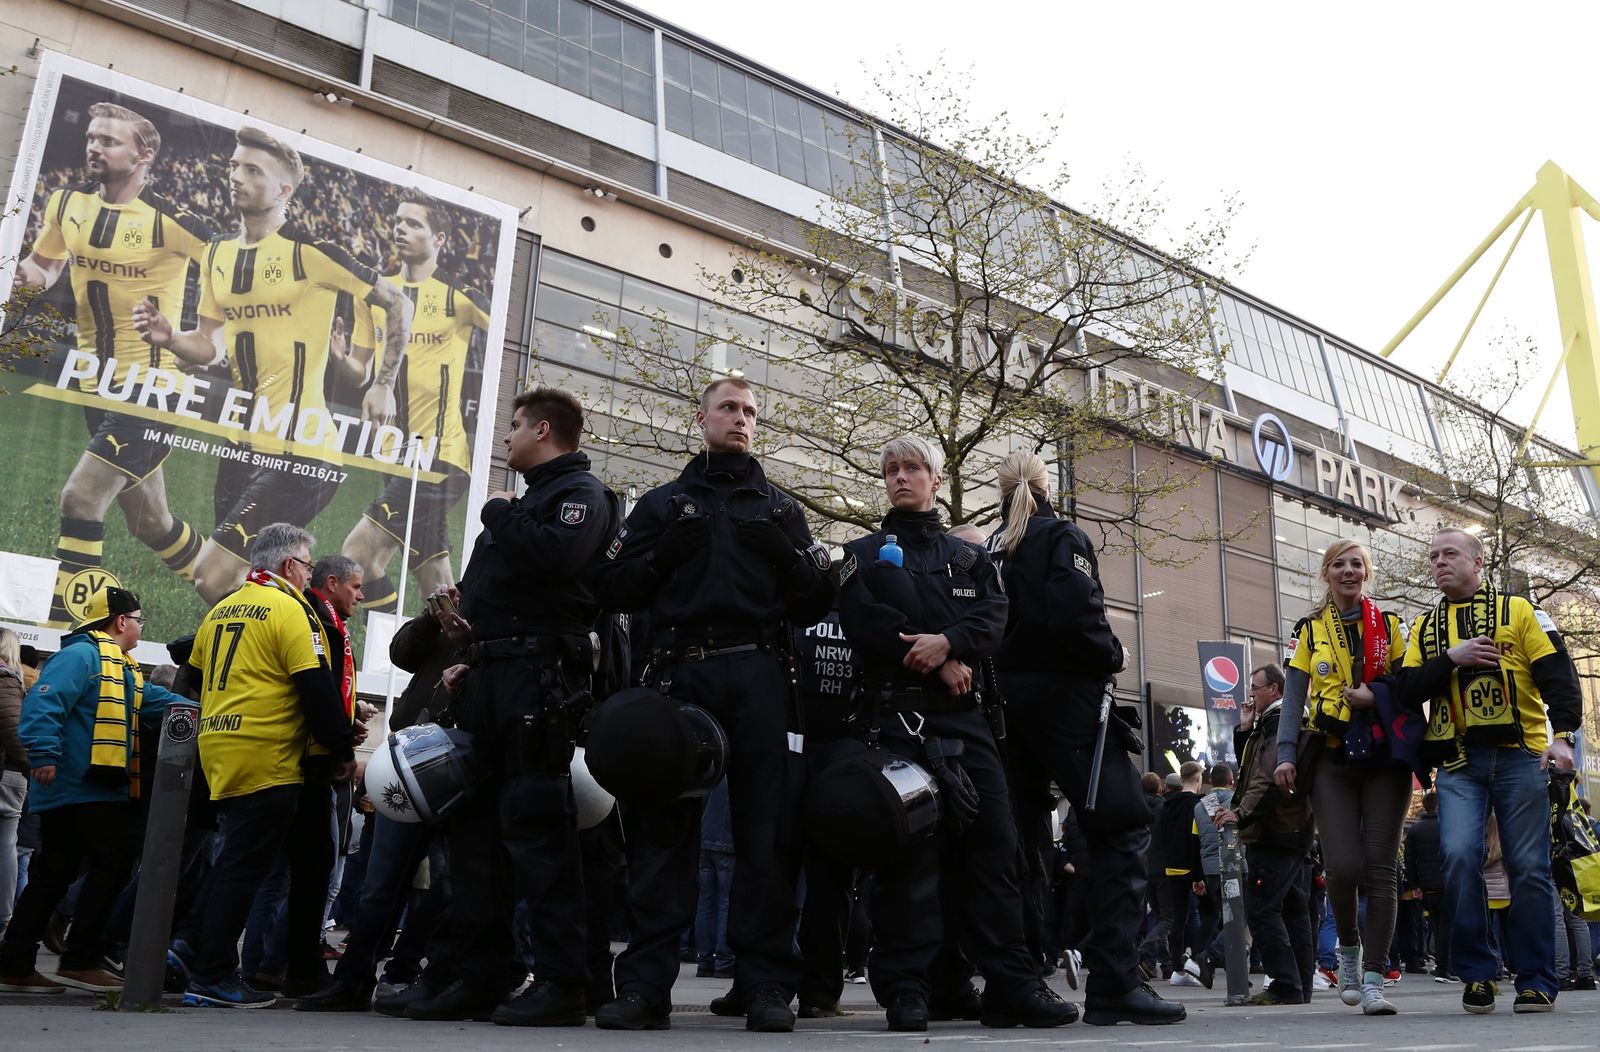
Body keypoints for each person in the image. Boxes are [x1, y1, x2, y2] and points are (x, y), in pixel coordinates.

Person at [592, 375, 831, 1033]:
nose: (742, 419)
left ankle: (763, 986)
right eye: (729, 408)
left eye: (751, 411)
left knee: (766, 837)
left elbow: (815, 601)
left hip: (759, 674)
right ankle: (644, 988)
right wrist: (661, 558)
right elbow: (611, 586)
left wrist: (789, 560)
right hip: (681, 674)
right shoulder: (664, 505)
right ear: (700, 419)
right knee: (663, 836)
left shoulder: (782, 510)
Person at [380, 385, 617, 1025]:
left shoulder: (578, 496)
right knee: (474, 834)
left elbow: (556, 558)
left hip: (536, 681)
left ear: (543, 430)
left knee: (536, 829)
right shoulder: (535, 500)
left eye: (514, 426)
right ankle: (480, 974)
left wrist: (499, 514)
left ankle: (564, 983)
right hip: (491, 675)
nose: (506, 437)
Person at [835, 437, 1076, 1032]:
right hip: (895, 723)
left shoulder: (969, 560)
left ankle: (1012, 985)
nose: (900, 477)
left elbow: (994, 617)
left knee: (998, 852)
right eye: (891, 469)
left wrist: (953, 642)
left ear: (936, 480)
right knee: (910, 860)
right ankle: (909, 990)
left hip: (966, 725)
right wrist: (941, 654)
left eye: (912, 468)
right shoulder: (859, 554)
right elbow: (866, 623)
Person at [133, 125, 414, 605]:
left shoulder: (313, 254)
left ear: (284, 189)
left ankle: (308, 631)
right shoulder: (218, 253)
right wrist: (172, 339)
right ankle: (287, 652)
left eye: (251, 169)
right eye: (233, 167)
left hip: (302, 449)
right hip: (241, 445)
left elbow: (398, 304)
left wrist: (383, 384)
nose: (235, 177)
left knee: (213, 577)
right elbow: (208, 345)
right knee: (238, 588)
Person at [985, 450, 1183, 1026]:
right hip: (1066, 702)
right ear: (1048, 486)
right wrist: (1112, 652)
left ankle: (1016, 983)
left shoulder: (990, 549)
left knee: (1021, 842)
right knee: (1122, 828)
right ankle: (1114, 981)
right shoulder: (1060, 537)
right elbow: (1075, 613)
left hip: (1004, 705)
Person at [12, 102, 212, 627]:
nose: (94, 146)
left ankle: (68, 632)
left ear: (144, 156)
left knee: (80, 499)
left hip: (151, 387)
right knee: (153, 523)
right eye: (92, 137)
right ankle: (235, 595)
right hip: (94, 385)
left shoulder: (173, 221)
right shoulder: (67, 202)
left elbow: (237, 274)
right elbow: (44, 267)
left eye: (108, 140)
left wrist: (200, 339)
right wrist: (18, 272)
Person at [1372, 526, 1582, 1015]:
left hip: (1522, 756)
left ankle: (1535, 981)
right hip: (1457, 764)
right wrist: (1451, 659)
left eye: (1449, 554)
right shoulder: (1425, 627)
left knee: (1528, 869)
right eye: (1432, 557)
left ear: (1478, 561)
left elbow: (1559, 676)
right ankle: (1478, 974)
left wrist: (1564, 736)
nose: (1438, 563)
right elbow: (1403, 690)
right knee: (1460, 861)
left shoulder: (1521, 611)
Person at [182, 524, 357, 1007]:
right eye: (306, 565)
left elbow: (188, 680)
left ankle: (286, 968)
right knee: (244, 866)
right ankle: (211, 973)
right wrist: (342, 746)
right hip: (270, 752)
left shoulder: (223, 606)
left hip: (219, 747)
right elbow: (315, 687)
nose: (308, 574)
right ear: (288, 566)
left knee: (274, 858)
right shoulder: (289, 609)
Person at [0, 587, 181, 993]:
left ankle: (16, 964)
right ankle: (81, 959)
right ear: (121, 622)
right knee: (113, 861)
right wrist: (43, 754)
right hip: (79, 785)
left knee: (54, 872)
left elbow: (151, 699)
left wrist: (200, 709)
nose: (139, 627)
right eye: (139, 620)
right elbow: (43, 705)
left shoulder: (120, 666)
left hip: (87, 788)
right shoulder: (81, 656)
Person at [297, 587, 461, 1012]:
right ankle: (353, 980)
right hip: (407, 758)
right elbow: (401, 652)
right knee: (379, 883)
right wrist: (432, 620)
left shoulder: (503, 620)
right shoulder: (447, 619)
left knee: (446, 885)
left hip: (459, 763)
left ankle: (405, 974)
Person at [337, 190, 489, 611]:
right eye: (399, 221)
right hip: (395, 457)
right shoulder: (375, 294)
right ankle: (449, 662)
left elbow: (503, 332)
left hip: (439, 456)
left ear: (440, 239)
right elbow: (361, 371)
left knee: (359, 555)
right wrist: (343, 361)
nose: (401, 228)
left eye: (414, 223)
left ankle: (390, 652)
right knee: (434, 577)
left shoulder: (458, 297)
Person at [1273, 539, 1407, 1015]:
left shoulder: (1389, 626)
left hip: (1385, 758)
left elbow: (1408, 686)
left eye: (1357, 564)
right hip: (1330, 758)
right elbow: (1293, 698)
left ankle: (1373, 978)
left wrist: (1377, 696)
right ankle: (1346, 954)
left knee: (1380, 867)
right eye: (1339, 565)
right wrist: (1284, 753)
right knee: (1343, 868)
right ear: (1326, 574)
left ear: (1366, 573)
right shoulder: (1308, 630)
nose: (1348, 571)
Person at [273, 555, 367, 997]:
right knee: (310, 871)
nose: (360, 596)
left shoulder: (317, 617)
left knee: (278, 872)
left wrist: (346, 723)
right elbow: (317, 689)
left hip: (294, 757)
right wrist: (342, 745)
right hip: (303, 762)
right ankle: (297, 968)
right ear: (332, 583)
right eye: (354, 586)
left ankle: (271, 963)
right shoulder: (313, 620)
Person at [1218, 664, 1315, 1005]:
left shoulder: (1277, 724)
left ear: (1274, 690)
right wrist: (1245, 730)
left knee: (1261, 910)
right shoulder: (1277, 723)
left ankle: (1287, 985)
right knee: (1293, 910)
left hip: (1274, 830)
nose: (1251, 695)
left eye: (1255, 689)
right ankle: (1300, 983)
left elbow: (1263, 776)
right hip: (1294, 829)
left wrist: (1241, 814)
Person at [1154, 762, 1209, 990]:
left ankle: (1177, 968)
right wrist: (1199, 874)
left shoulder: (1165, 805)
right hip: (1192, 866)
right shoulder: (1197, 804)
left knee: (1179, 917)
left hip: (1171, 867)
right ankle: (1197, 959)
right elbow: (1196, 839)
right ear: (1197, 779)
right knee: (1210, 913)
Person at [1403, 790, 1451, 982]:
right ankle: (1445, 966)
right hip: (1447, 881)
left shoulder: (1415, 830)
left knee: (1435, 925)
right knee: (1448, 925)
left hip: (1426, 885)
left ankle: (1440, 963)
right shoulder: (1448, 826)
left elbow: (1409, 859)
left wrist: (1415, 884)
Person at [0, 628, 28, 937]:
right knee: (8, 846)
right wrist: (37, 768)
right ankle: (4, 916)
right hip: (8, 776)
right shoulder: (7, 679)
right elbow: (13, 730)